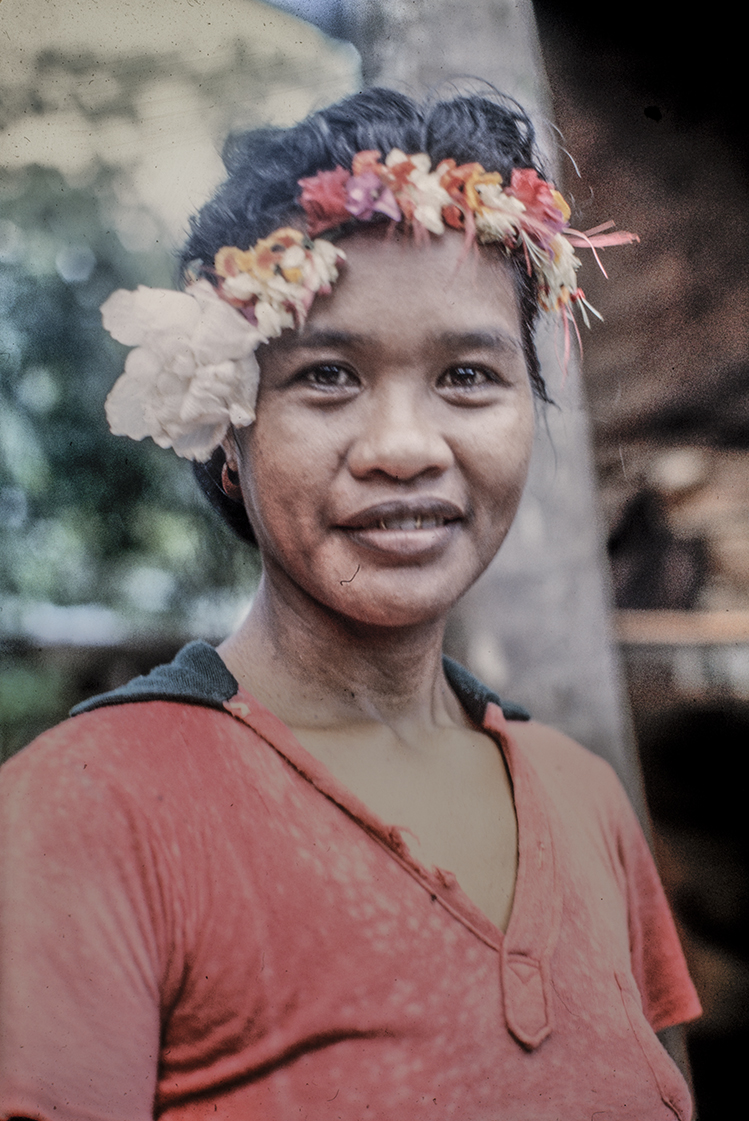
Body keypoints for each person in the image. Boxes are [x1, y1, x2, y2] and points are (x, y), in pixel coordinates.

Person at [0, 88, 700, 1120]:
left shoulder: (581, 797)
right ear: (226, 440)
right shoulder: (91, 806)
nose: (406, 447)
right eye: (327, 375)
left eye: (466, 374)